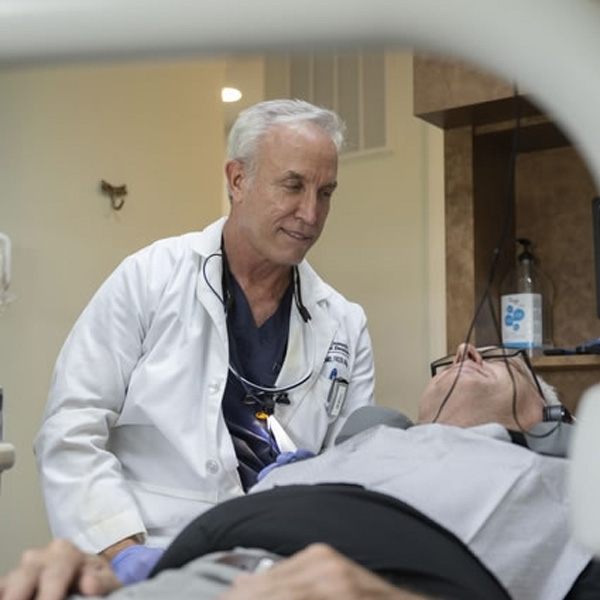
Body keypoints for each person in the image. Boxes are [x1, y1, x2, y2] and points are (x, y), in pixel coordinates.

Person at [32, 99, 375, 583]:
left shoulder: (344, 322)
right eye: (293, 186)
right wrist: (122, 553)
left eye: (326, 192)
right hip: (147, 549)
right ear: (237, 180)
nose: (311, 213)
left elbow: (358, 469)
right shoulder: (149, 279)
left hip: (279, 571)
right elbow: (70, 427)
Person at [6, 344, 597, 600]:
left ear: (544, 418)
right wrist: (107, 574)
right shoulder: (343, 456)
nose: (468, 353)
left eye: (496, 358)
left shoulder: (558, 487)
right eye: (453, 359)